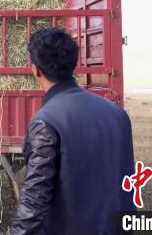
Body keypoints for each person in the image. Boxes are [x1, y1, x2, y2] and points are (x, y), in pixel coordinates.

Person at [9, 28, 135, 235]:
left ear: (35, 69)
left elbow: (35, 197)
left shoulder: (46, 121)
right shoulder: (117, 114)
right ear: (73, 65)